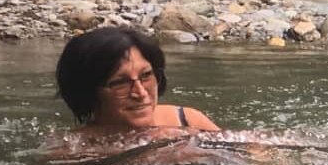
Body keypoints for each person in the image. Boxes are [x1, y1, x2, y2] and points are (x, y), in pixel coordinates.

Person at [55, 26, 220, 134]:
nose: (140, 93)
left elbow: (243, 155)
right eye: (120, 83)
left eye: (146, 75)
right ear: (88, 92)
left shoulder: (188, 120)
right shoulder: (73, 152)